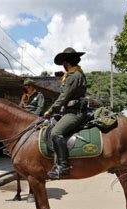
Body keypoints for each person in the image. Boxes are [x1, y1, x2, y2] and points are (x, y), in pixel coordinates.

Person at [43, 47, 88, 180]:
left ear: (67, 63)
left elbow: (64, 97)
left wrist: (50, 111)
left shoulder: (74, 76)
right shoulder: (72, 75)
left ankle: (63, 166)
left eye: (64, 63)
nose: (63, 67)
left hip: (75, 112)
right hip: (68, 111)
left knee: (56, 132)